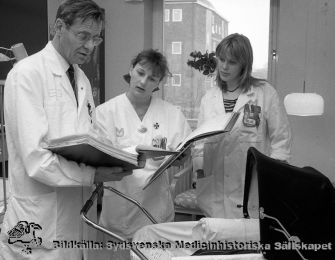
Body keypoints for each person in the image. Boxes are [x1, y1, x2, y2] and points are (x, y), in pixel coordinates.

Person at [0, 1, 131, 259]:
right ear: (59, 27)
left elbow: (86, 135)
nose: (90, 46)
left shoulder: (80, 78)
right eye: (83, 36)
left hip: (77, 218)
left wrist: (118, 155)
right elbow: (36, 160)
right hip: (41, 223)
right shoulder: (27, 74)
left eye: (96, 38)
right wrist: (93, 175)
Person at [95, 49, 191, 254]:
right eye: (140, 73)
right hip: (119, 209)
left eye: (152, 78)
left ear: (159, 83)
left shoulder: (172, 114)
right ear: (131, 70)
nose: (143, 81)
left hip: (156, 210)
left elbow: (183, 152)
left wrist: (179, 158)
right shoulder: (105, 112)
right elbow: (99, 158)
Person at [193, 33, 292, 218]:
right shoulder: (209, 98)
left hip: (252, 185)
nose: (224, 66)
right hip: (215, 188)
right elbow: (199, 142)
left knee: (247, 242)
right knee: (217, 241)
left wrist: (274, 175)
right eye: (221, 59)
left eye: (232, 62)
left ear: (244, 65)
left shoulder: (264, 93)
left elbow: (281, 138)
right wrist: (199, 169)